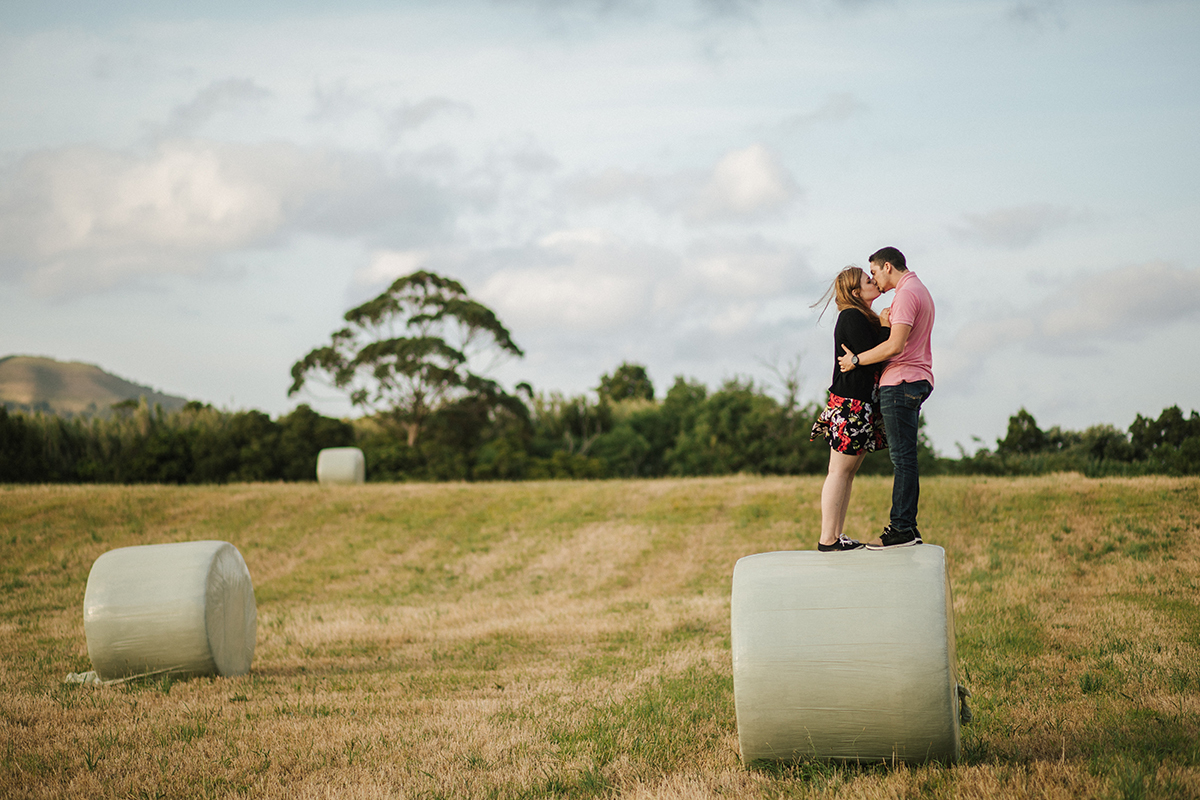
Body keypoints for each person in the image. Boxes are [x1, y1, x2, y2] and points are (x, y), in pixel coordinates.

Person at [837, 246, 934, 550]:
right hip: (914, 379)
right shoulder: (920, 290)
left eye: (875, 272)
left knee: (903, 459)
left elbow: (894, 346)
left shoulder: (905, 295)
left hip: (901, 381)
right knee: (904, 457)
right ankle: (906, 527)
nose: (875, 280)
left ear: (888, 267)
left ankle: (902, 529)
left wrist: (855, 361)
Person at [809, 266, 890, 552]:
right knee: (839, 472)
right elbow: (874, 355)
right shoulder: (852, 316)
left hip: (860, 405)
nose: (874, 283)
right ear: (857, 293)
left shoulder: (858, 316)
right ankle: (828, 538)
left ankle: (835, 535)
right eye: (868, 281)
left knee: (847, 473)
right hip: (850, 406)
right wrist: (884, 325)